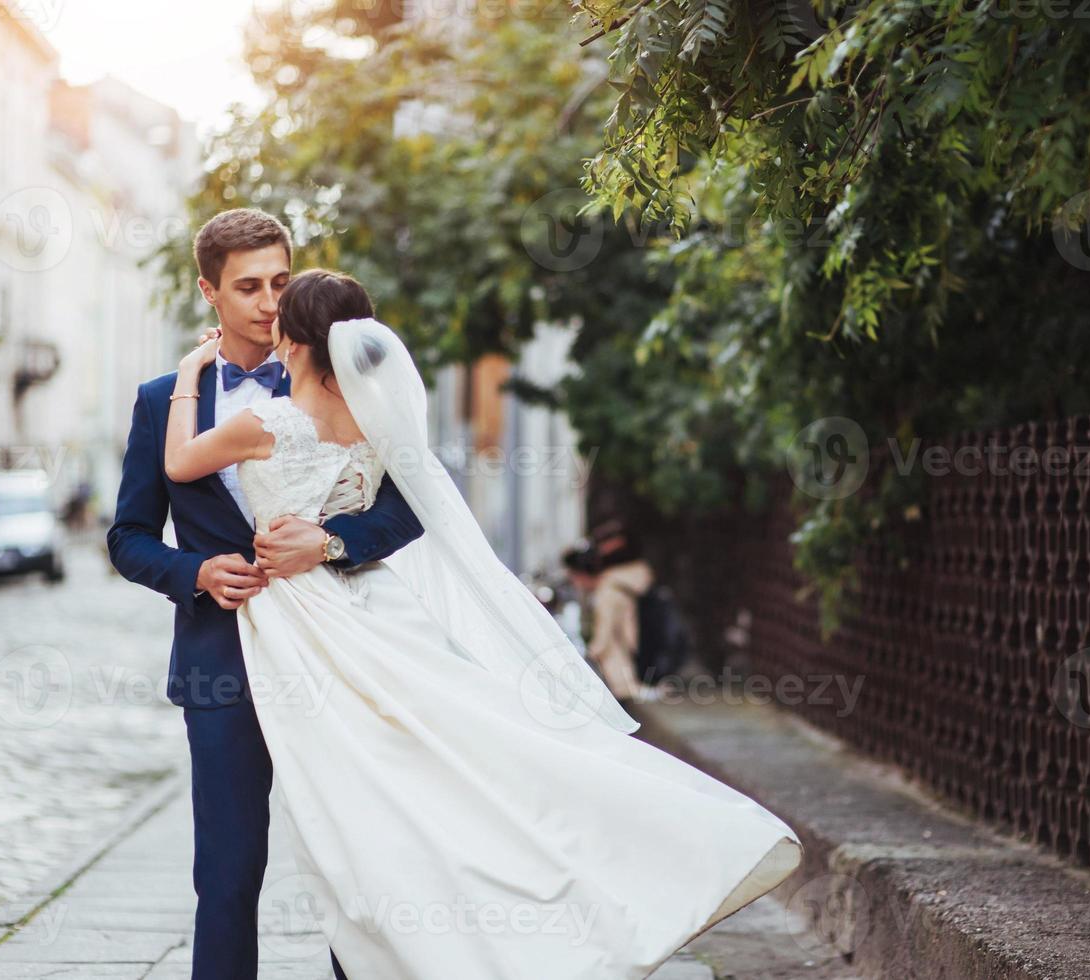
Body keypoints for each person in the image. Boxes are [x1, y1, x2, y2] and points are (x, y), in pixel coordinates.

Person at [159, 266, 804, 977]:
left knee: (349, 807)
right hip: (367, 618)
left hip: (302, 624)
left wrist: (191, 369)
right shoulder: (374, 425)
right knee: (420, 780)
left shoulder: (266, 423)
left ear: (298, 339)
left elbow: (183, 462)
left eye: (282, 308)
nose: (270, 320)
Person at [107, 209, 426, 980]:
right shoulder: (162, 401)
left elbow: (412, 504)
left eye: (281, 282)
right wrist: (195, 574)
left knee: (356, 864)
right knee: (226, 873)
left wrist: (332, 541)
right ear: (208, 292)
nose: (268, 302)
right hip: (223, 663)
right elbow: (128, 536)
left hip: (340, 655)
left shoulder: (342, 381)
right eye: (247, 286)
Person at [563, 521, 661, 703]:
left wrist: (582, 658)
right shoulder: (624, 584)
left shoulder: (607, 592)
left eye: (573, 577)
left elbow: (603, 638)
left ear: (582, 574)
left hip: (621, 676)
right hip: (636, 661)